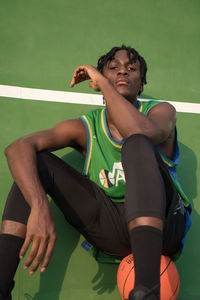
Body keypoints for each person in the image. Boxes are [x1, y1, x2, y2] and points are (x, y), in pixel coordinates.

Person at [0, 45, 191, 300]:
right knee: (35, 165)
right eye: (113, 68)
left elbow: (140, 132)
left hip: (165, 225)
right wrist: (38, 205)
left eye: (131, 69)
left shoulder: (160, 112)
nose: (123, 71)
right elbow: (17, 148)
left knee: (136, 143)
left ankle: (147, 291)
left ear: (141, 85)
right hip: (115, 229)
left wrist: (103, 81)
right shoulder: (86, 127)